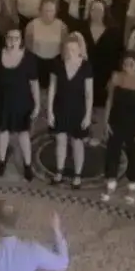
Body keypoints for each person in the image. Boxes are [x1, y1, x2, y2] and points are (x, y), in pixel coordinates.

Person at [47, 32, 94, 189]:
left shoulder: (86, 66)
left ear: (80, 49)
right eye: (68, 49)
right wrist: (49, 111)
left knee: (77, 143)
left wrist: (88, 115)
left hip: (78, 110)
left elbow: (89, 94)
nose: (70, 53)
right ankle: (59, 172)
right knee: (60, 141)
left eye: (74, 49)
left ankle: (77, 175)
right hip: (60, 108)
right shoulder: (57, 65)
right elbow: (52, 89)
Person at [0, 27, 38, 180]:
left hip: (22, 101)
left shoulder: (29, 58)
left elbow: (34, 83)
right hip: (1, 100)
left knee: (23, 134)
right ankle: (2, 162)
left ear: (21, 40)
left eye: (16, 38)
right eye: (10, 37)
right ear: (5, 39)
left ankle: (28, 165)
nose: (13, 41)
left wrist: (37, 105)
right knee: (2, 132)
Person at [100, 53, 135, 203]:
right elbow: (109, 101)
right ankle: (111, 182)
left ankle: (132, 187)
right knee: (112, 151)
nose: (128, 67)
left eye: (131, 64)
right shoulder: (115, 77)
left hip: (134, 124)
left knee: (134, 155)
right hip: (116, 121)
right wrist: (105, 121)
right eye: (125, 63)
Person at [78, 0, 121, 121]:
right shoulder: (82, 29)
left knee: (101, 109)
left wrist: (114, 77)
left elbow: (118, 56)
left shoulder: (114, 31)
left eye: (99, 10)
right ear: (89, 12)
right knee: (84, 106)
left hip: (105, 76)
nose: (96, 12)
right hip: (85, 74)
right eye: (93, 9)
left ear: (105, 12)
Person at [24, 0, 67, 95]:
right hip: (37, 61)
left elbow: (64, 48)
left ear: (55, 11)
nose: (48, 14)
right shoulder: (31, 25)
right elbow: (28, 47)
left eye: (51, 11)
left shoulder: (62, 26)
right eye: (46, 11)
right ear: (40, 11)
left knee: (53, 90)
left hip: (55, 61)